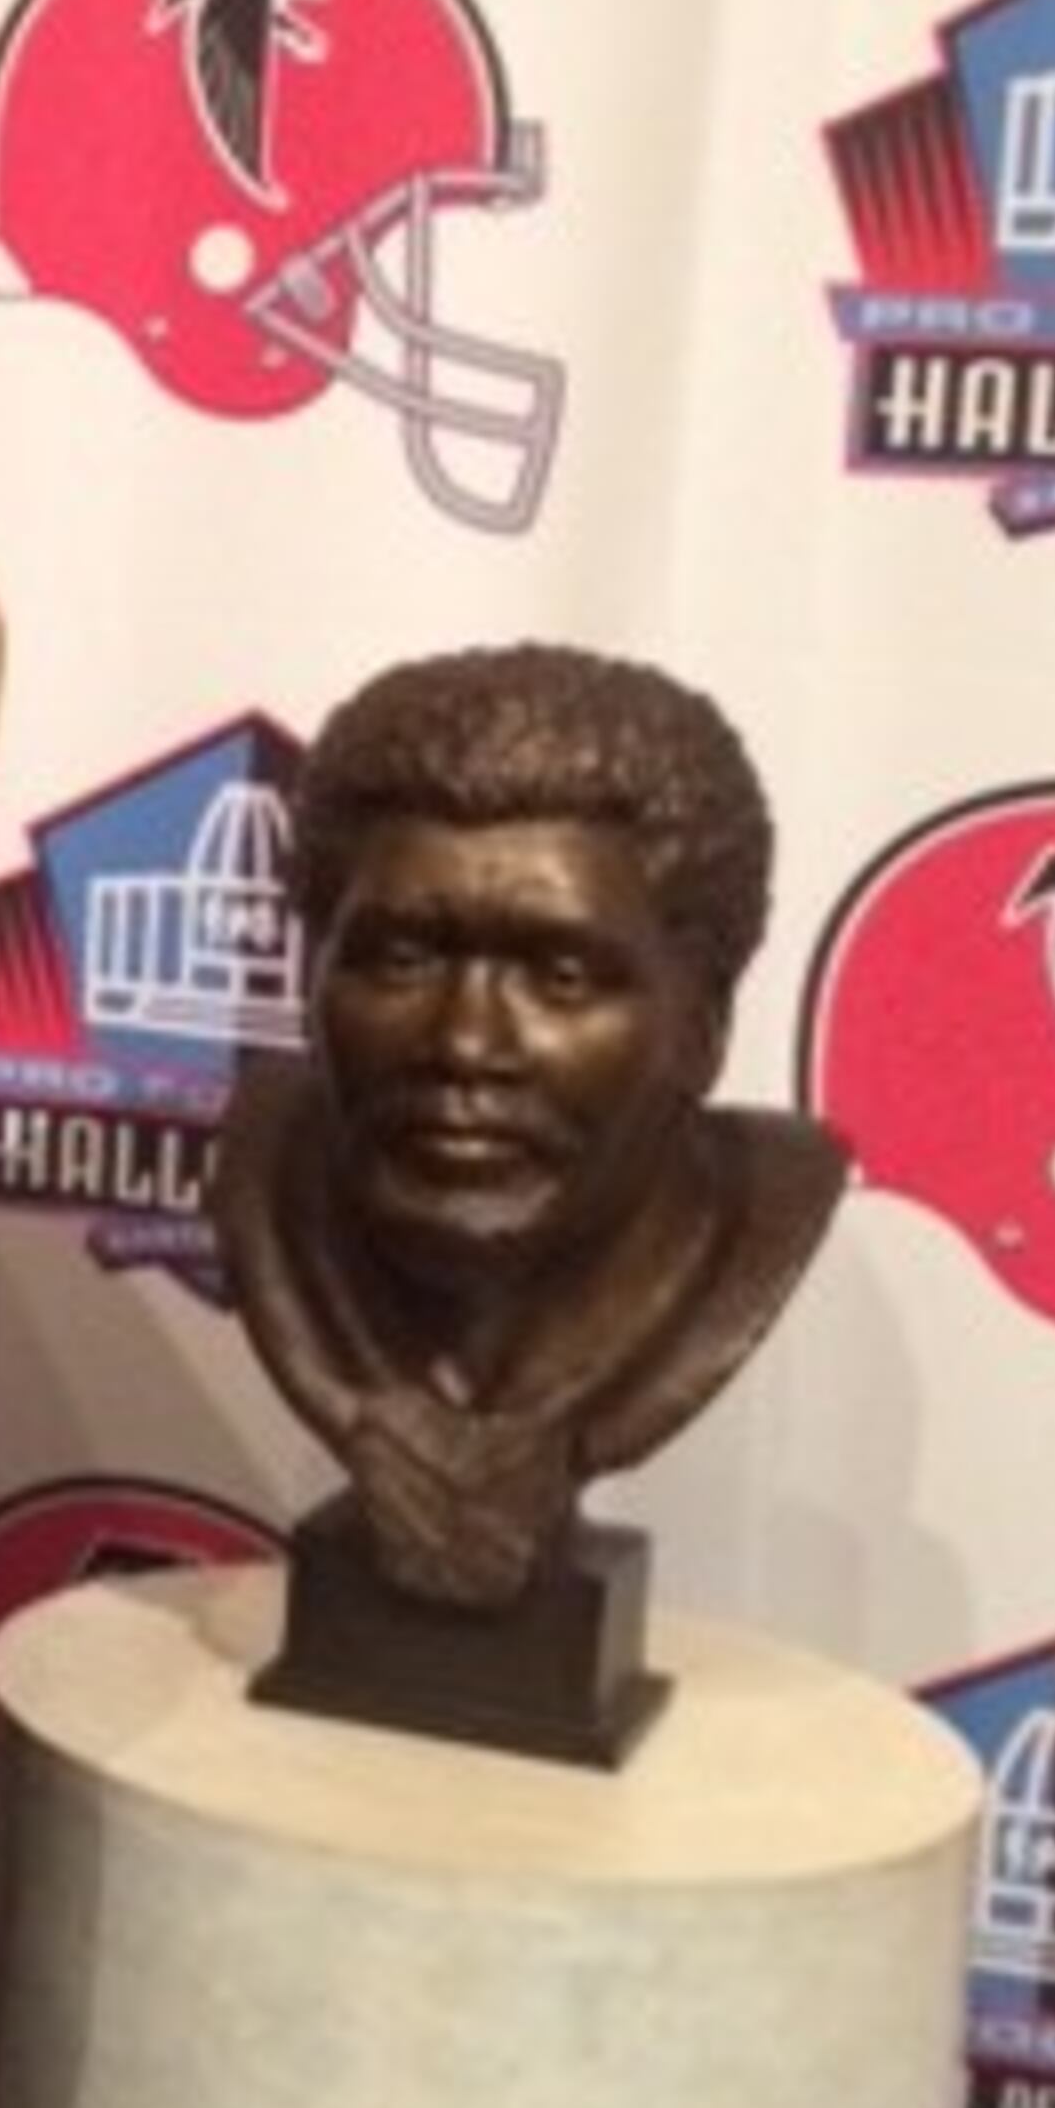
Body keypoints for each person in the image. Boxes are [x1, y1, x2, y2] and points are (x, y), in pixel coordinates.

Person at [209, 640, 846, 1614]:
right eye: (403, 958)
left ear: (704, 1023)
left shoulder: (755, 1218)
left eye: (562, 975)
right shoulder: (268, 1172)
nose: (464, 1040)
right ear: (315, 974)